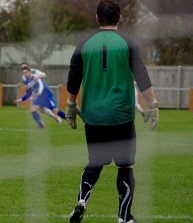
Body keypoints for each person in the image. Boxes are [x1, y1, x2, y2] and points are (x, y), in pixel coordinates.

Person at [65, 1, 159, 223]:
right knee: (125, 165)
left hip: (94, 116)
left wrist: (70, 106)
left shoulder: (84, 44)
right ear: (119, 18)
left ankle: (82, 200)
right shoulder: (128, 44)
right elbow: (142, 76)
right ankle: (124, 217)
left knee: (95, 162)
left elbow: (73, 78)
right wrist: (153, 106)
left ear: (97, 18)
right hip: (121, 116)